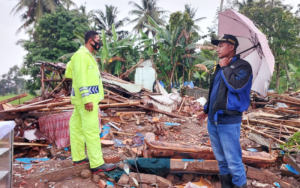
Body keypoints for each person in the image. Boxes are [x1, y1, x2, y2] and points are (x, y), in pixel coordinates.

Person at [199, 34, 253, 188]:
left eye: (221, 45)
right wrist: (206, 110)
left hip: (229, 121)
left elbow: (236, 86)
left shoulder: (244, 66)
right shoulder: (220, 67)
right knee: (222, 161)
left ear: (231, 47)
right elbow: (214, 92)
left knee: (234, 162)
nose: (217, 49)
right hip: (213, 120)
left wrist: (225, 67)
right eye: (217, 46)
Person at [65, 30, 116, 173]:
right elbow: (80, 78)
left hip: (80, 100)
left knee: (76, 127)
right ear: (90, 41)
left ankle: (79, 157)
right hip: (87, 101)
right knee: (92, 131)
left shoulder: (83, 56)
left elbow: (69, 73)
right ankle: (97, 163)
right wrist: (87, 99)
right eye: (98, 40)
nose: (99, 43)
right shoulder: (82, 56)